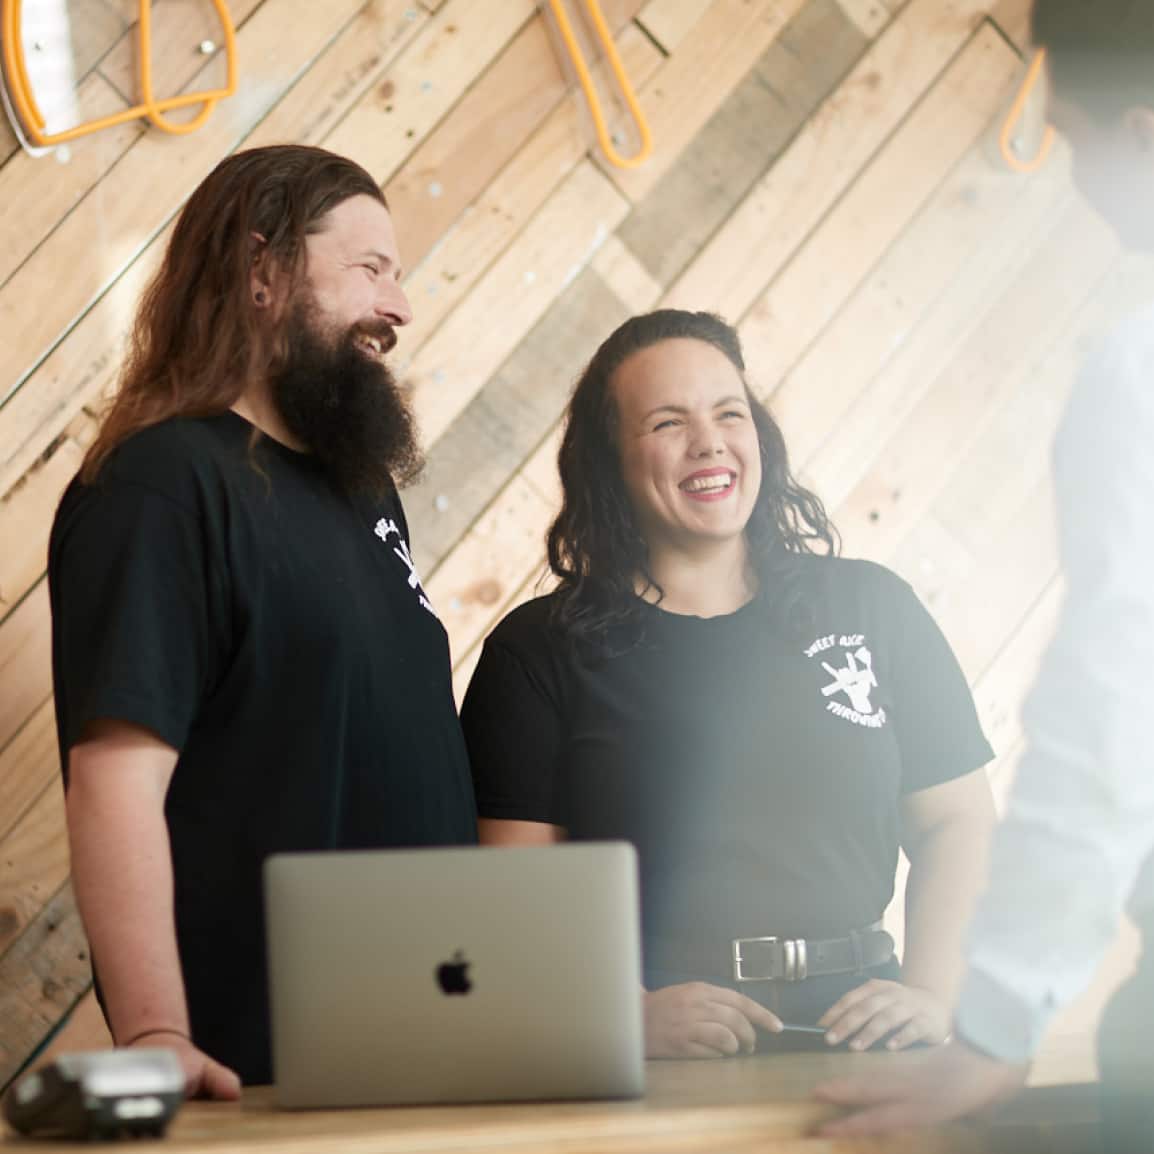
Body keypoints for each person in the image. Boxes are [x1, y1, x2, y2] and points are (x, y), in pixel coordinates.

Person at [49, 145, 477, 1097]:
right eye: (370, 268)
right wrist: (157, 1032)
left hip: (428, 1043)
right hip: (265, 1078)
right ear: (262, 270)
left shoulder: (362, 493)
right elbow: (114, 779)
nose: (400, 307)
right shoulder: (162, 484)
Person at [461, 308, 997, 1059]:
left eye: (729, 413)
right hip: (661, 1061)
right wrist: (621, 1015)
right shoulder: (535, 650)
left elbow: (957, 822)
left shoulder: (874, 607)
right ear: (609, 460)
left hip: (865, 1044)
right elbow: (515, 888)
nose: (709, 441)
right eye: (668, 422)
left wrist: (934, 994)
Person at [814, 1, 1154, 1144]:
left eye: (1073, 141)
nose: (1078, 183)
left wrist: (995, 1025)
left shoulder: (1137, 372)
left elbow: (1112, 705)